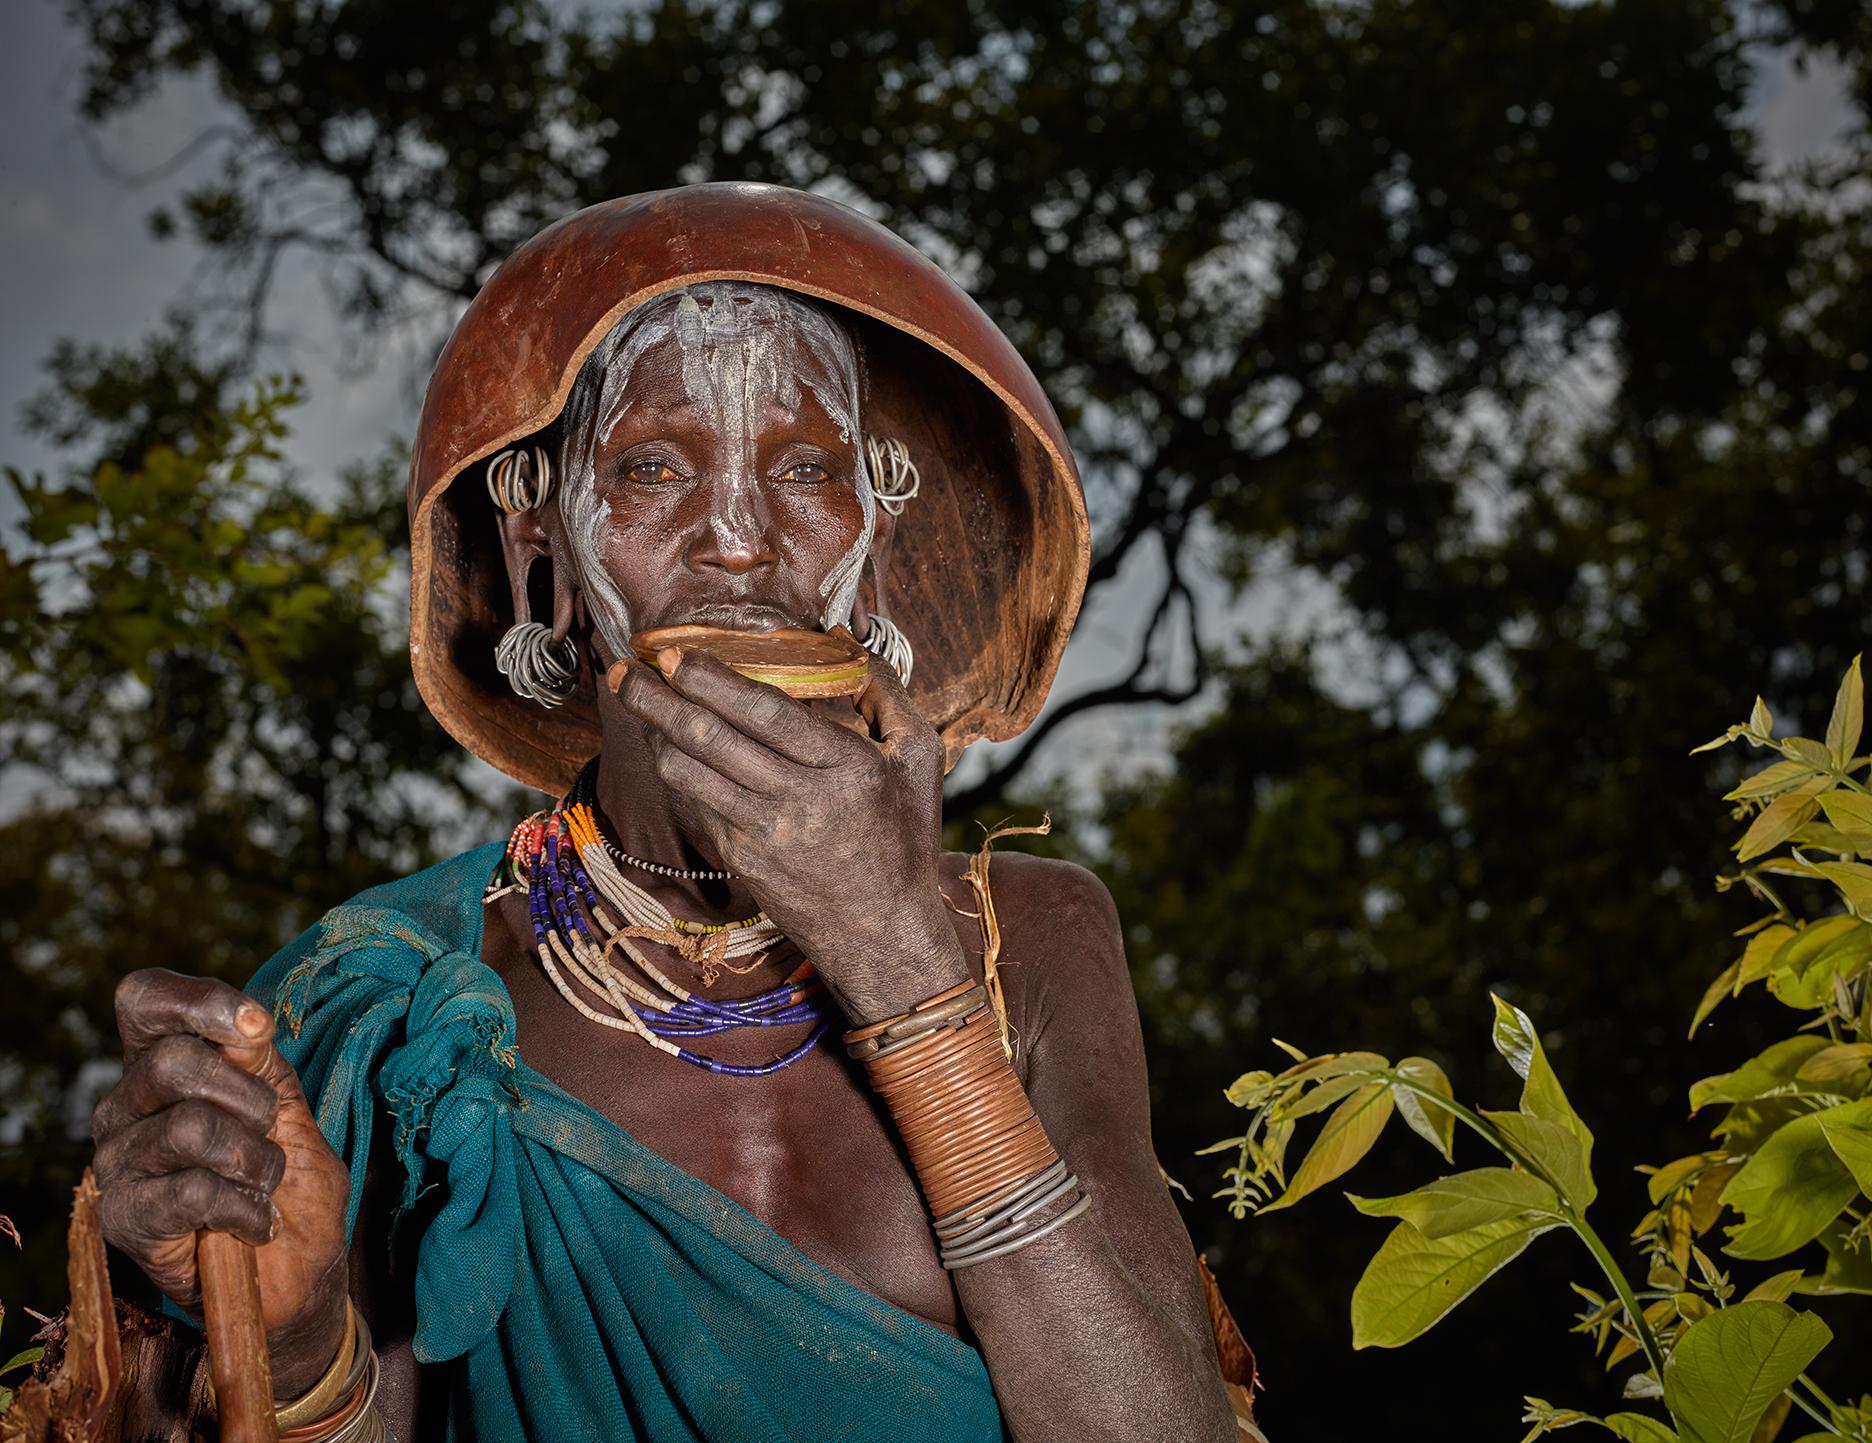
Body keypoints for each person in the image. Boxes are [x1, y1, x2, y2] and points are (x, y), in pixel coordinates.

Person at [88, 184, 1252, 1442]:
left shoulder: (1032, 935)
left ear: (873, 532)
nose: (741, 541)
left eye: (806, 466)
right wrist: (307, 1344)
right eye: (652, 466)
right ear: (547, 549)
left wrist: (904, 967)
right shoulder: (404, 992)